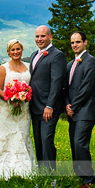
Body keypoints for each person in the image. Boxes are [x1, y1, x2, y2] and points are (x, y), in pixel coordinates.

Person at [0, 39, 36, 179]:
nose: (15, 52)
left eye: (18, 49)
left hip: (24, 109)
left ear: (22, 50)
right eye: (13, 50)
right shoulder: (3, 68)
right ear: (8, 52)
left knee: (22, 135)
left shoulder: (29, 66)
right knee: (5, 136)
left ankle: (22, 167)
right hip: (6, 108)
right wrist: (10, 99)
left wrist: (22, 97)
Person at [28, 25, 67, 173]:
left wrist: (50, 106)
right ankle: (41, 172)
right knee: (38, 141)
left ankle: (50, 173)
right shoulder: (33, 55)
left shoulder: (57, 55)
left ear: (50, 37)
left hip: (48, 108)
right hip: (34, 106)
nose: (39, 39)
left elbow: (57, 82)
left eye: (43, 36)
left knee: (46, 140)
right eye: (37, 36)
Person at [65, 31, 95, 188]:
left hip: (85, 110)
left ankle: (89, 179)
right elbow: (66, 88)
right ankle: (80, 173)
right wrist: (66, 104)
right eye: (72, 43)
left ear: (85, 42)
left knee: (80, 143)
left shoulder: (91, 61)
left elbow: (87, 88)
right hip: (73, 110)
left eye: (77, 42)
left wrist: (74, 106)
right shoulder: (70, 64)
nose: (74, 45)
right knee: (74, 143)